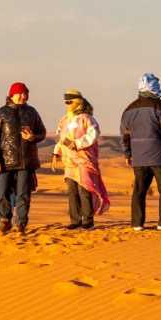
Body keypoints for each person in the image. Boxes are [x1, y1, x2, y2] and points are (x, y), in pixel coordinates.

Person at [121, 73, 161, 231]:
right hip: (159, 156)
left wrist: (127, 153)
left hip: (139, 158)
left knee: (139, 190)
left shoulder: (129, 109)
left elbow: (125, 135)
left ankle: (137, 223)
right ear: (155, 87)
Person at [0, 82, 47, 235]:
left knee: (23, 194)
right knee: (2, 192)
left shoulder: (32, 112)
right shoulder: (2, 112)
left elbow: (42, 132)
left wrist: (33, 137)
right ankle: (4, 220)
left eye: (25, 93)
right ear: (11, 95)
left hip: (26, 161)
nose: (23, 96)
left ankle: (20, 224)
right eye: (20, 93)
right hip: (5, 161)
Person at [53, 88, 110, 229]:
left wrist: (77, 144)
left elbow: (93, 134)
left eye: (69, 102)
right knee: (72, 191)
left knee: (84, 189)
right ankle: (75, 220)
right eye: (65, 102)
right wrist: (56, 153)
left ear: (78, 102)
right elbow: (61, 139)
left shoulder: (87, 118)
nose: (67, 104)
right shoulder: (64, 120)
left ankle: (87, 221)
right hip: (69, 161)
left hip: (84, 160)